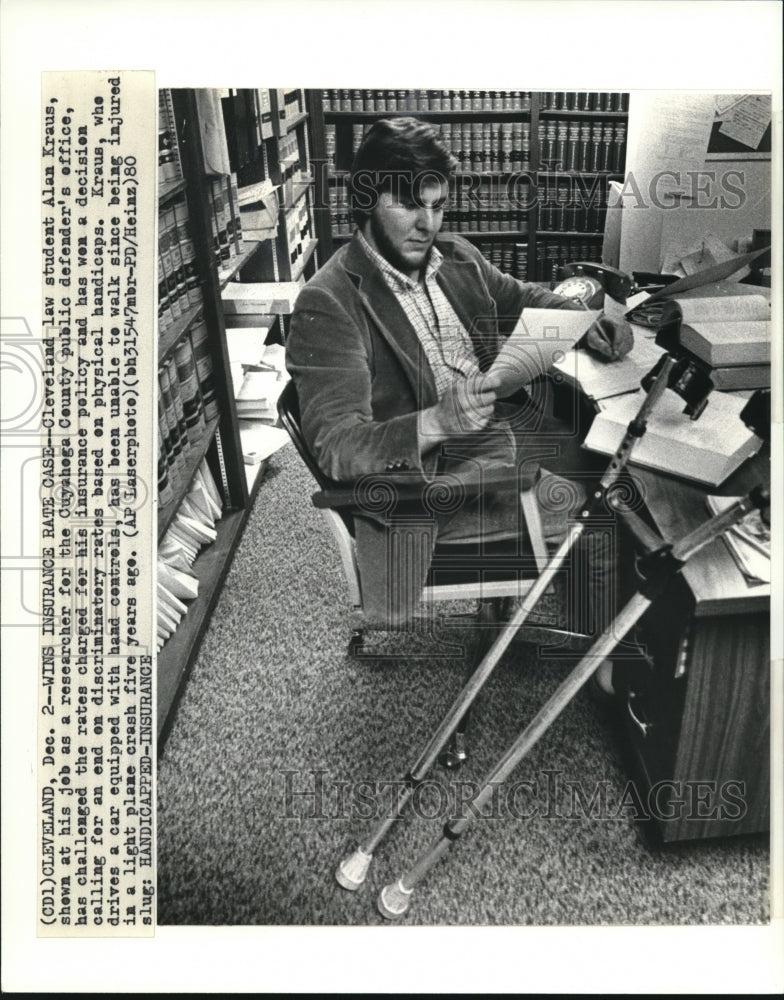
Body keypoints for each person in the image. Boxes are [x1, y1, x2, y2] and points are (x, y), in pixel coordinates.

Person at [287, 117, 633, 641]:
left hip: (500, 437)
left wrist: (587, 320)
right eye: (408, 204)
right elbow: (338, 447)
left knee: (617, 462)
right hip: (431, 490)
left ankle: (581, 607)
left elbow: (522, 297)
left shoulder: (457, 258)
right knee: (611, 512)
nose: (427, 224)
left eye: (438, 205)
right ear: (366, 200)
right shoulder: (329, 300)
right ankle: (607, 671)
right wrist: (438, 421)